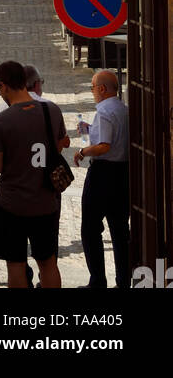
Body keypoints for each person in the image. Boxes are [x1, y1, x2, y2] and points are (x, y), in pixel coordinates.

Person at [0, 60, 68, 289]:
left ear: (4, 86)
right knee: (48, 263)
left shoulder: (0, 122)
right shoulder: (51, 110)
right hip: (46, 201)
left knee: (16, 265)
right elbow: (61, 144)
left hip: (12, 204)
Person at [74, 71, 130, 290]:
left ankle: (97, 281)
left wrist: (83, 151)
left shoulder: (105, 111)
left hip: (103, 174)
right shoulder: (123, 109)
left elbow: (104, 145)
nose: (92, 91)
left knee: (90, 228)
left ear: (102, 89)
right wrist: (90, 130)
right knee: (119, 230)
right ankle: (123, 281)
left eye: (92, 87)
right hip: (122, 173)